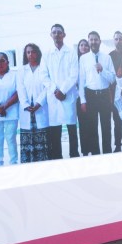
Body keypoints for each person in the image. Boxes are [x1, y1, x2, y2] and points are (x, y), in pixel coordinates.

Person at [43, 23, 80, 159]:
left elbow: (74, 75)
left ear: (64, 35)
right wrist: (55, 90)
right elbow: (43, 75)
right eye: (54, 32)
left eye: (59, 32)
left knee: (71, 128)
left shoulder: (70, 52)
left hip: (68, 95)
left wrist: (63, 90)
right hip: (53, 97)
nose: (57, 35)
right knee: (55, 129)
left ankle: (74, 155)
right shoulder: (46, 54)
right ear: (51, 35)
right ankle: (57, 157)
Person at [78, 30, 116, 155]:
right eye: (91, 40)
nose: (93, 42)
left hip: (104, 95)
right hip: (90, 96)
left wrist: (102, 70)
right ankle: (96, 156)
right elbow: (81, 80)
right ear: (88, 41)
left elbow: (112, 78)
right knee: (92, 128)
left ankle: (107, 154)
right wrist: (83, 100)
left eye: (96, 39)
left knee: (106, 127)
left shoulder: (107, 58)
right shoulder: (83, 59)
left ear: (99, 41)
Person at [17, 43, 50, 163]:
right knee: (28, 137)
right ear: (25, 54)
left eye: (33, 52)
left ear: (38, 53)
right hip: (27, 110)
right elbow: (20, 88)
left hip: (40, 107)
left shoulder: (43, 68)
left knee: (42, 138)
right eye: (28, 52)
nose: (31, 54)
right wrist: (25, 105)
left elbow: (47, 87)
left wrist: (39, 103)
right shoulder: (21, 70)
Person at [75, 38, 94, 156]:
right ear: (78, 48)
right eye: (81, 45)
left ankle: (93, 147)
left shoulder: (92, 60)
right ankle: (85, 149)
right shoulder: (75, 62)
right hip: (79, 97)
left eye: (86, 45)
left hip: (91, 95)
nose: (84, 47)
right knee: (83, 124)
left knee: (92, 123)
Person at [109, 31, 122, 152]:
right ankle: (118, 145)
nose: (118, 41)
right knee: (117, 121)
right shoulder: (110, 56)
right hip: (115, 93)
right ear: (113, 41)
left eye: (120, 39)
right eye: (116, 39)